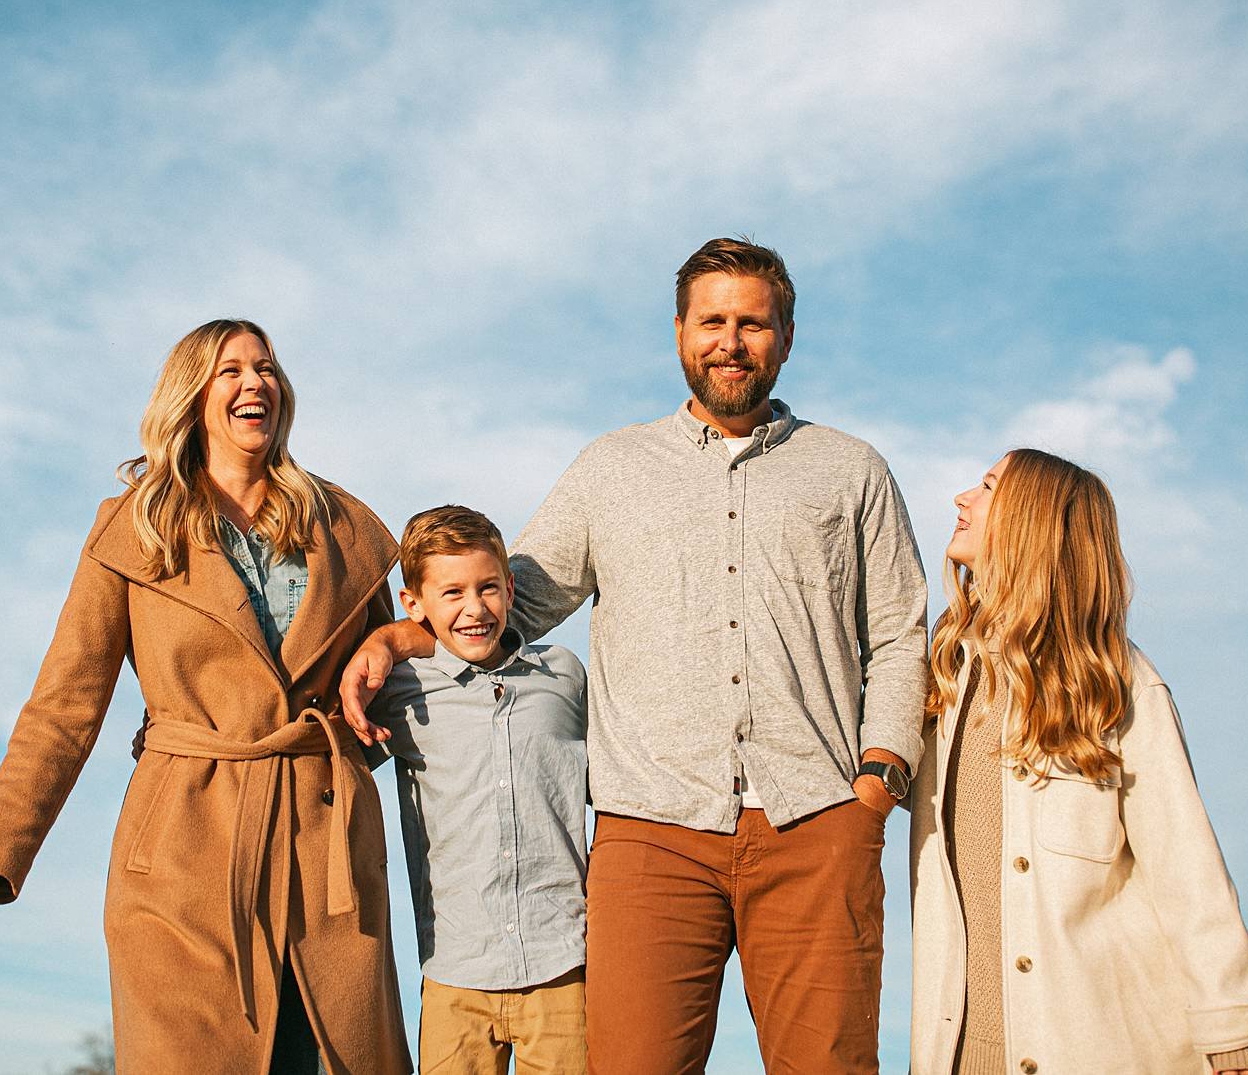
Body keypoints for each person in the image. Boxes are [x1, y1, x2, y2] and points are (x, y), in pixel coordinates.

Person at [343, 237, 930, 1074]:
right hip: (650, 836)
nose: (731, 341)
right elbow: (515, 599)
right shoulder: (610, 468)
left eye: (753, 324)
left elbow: (903, 630)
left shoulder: (850, 471)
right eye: (713, 321)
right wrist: (398, 636)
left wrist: (878, 780)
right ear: (681, 334)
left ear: (786, 338)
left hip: (818, 822)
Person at [0, 319, 412, 1075]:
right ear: (192, 396)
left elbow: (419, 666)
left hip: (329, 866)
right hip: (183, 857)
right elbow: (64, 708)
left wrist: (392, 643)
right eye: (232, 372)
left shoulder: (346, 528)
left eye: (268, 369)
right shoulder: (133, 528)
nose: (257, 383)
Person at [907, 449, 1248, 1075]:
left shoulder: (1117, 682)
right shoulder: (942, 675)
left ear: (1032, 521)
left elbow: (1188, 872)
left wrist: (1235, 1033)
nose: (962, 498)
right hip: (960, 1054)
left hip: (1106, 1048)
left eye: (987, 486)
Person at [363, 505, 588, 1075]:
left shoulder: (564, 676)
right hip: (454, 974)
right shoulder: (399, 690)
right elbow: (327, 761)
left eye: (488, 587)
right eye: (452, 592)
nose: (474, 608)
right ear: (413, 605)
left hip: (563, 968)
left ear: (511, 589)